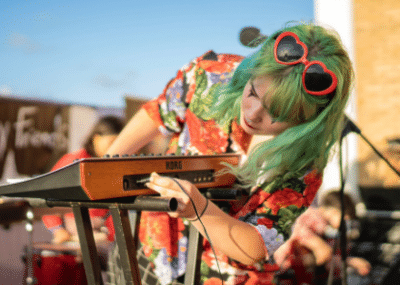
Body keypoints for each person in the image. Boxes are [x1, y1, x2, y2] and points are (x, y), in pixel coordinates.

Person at [106, 22, 353, 285]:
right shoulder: (211, 75)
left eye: (277, 115)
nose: (253, 113)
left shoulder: (305, 159)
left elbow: (256, 246)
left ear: (306, 121)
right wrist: (101, 168)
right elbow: (159, 112)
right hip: (153, 251)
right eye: (253, 92)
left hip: (226, 276)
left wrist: (198, 210)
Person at [42, 115, 124, 245]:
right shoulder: (74, 161)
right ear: (96, 139)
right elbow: (48, 195)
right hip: (74, 235)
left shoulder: (115, 164)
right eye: (112, 142)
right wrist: (58, 229)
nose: (116, 148)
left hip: (105, 236)